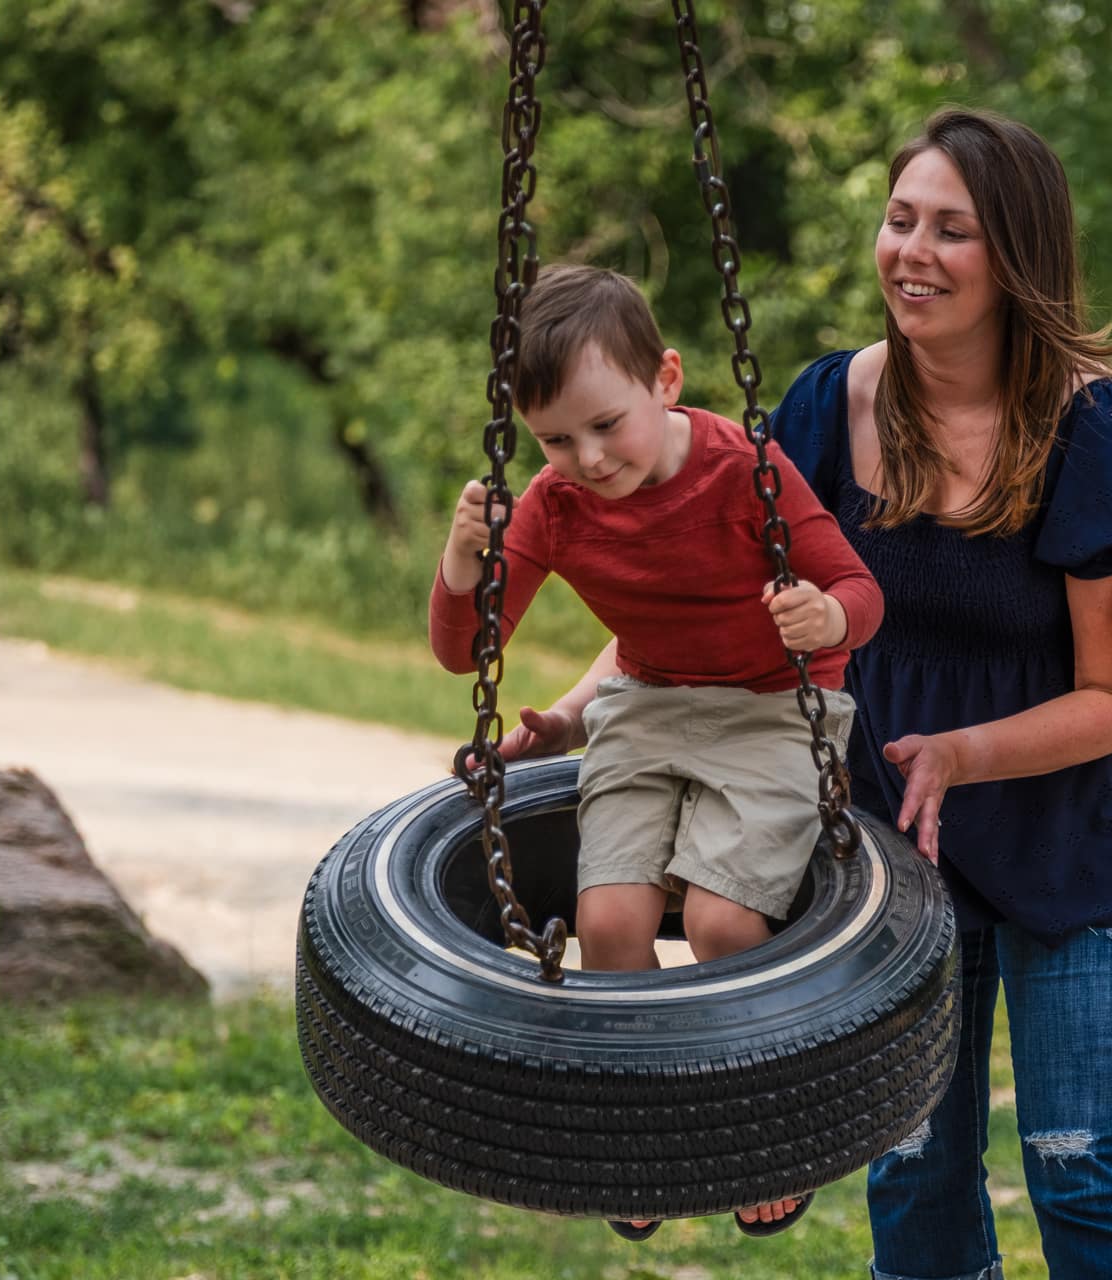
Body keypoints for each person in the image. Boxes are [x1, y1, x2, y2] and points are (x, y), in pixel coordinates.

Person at [762, 108, 1112, 1279]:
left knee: (1082, 1171)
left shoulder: (1100, 429)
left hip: (1089, 824)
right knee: (912, 1171)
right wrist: (573, 706)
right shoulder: (829, 406)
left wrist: (958, 750)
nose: (913, 251)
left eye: (952, 230)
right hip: (905, 837)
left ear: (1015, 256)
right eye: (900, 219)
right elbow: (714, 596)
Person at [428, 263, 882, 1240]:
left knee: (722, 921)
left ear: (665, 380)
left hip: (769, 706)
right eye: (555, 438)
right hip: (647, 700)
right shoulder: (553, 502)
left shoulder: (742, 467)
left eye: (606, 424)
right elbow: (469, 648)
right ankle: (640, 1135)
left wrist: (825, 610)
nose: (585, 456)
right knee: (609, 916)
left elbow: (858, 585)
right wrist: (464, 557)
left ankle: (765, 1131)